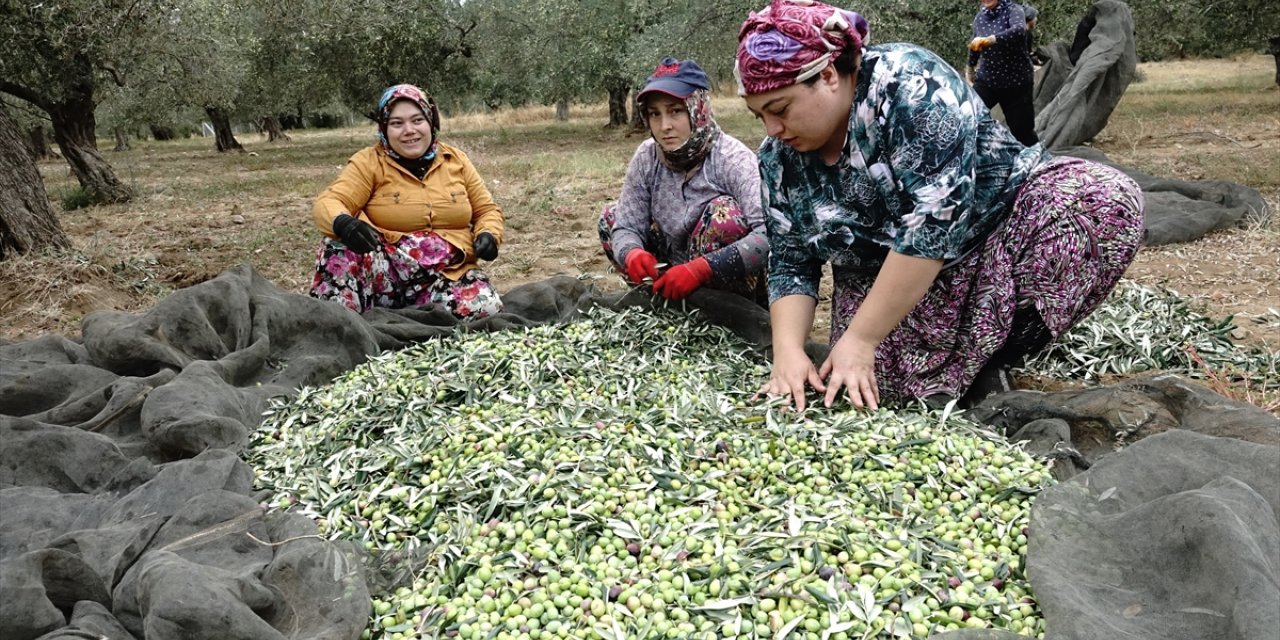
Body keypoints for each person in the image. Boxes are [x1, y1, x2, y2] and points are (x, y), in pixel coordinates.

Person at [736, 0, 1144, 411]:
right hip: (888, 278)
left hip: (997, 228)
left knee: (1104, 206)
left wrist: (860, 339)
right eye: (759, 117)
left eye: (780, 109)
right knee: (879, 388)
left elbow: (932, 225)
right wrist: (787, 353)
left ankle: (991, 356)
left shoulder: (911, 87)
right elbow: (791, 262)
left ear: (826, 76)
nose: (772, 129)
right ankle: (954, 364)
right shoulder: (778, 159)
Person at [310, 84, 505, 319]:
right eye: (397, 123)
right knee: (336, 246)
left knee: (486, 308)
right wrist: (344, 223)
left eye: (417, 120)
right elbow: (330, 200)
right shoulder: (369, 162)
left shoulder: (456, 160)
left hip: (446, 274)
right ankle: (344, 323)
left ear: (431, 122)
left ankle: (400, 319)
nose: (409, 130)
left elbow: (486, 210)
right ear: (384, 128)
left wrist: (489, 234)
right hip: (384, 275)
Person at [599, 57, 769, 304]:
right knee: (610, 220)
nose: (664, 126)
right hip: (670, 268)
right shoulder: (647, 157)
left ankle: (718, 311)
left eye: (675, 111)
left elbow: (769, 234)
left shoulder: (732, 158)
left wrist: (701, 269)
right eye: (654, 114)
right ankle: (661, 299)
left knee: (725, 216)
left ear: (698, 109)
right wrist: (632, 253)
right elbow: (626, 226)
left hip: (720, 279)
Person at [967, 0, 1039, 146]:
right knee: (968, 115)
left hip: (1016, 84)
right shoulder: (980, 17)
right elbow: (975, 43)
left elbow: (1019, 31)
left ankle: (1038, 163)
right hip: (988, 81)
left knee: (1022, 132)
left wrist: (991, 40)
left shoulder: (1014, 10)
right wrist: (970, 67)